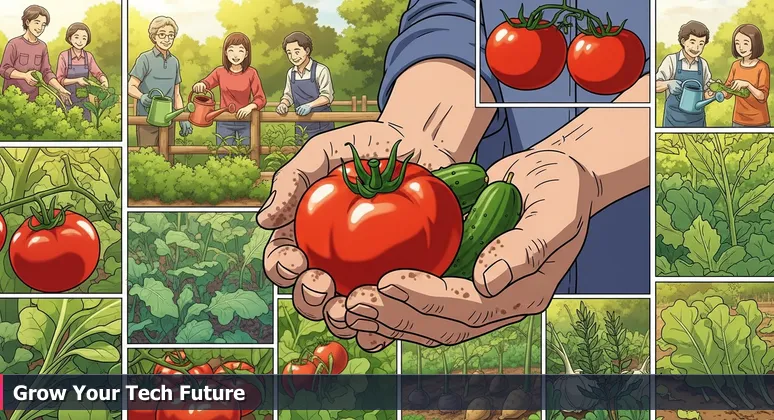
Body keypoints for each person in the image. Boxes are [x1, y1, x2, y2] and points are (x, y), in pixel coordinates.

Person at [258, 0, 649, 350]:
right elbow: (451, 14)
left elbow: (688, 74)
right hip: (508, 231)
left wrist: (586, 164)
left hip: (638, 251)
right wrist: (421, 131)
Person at [192, 32, 267, 149]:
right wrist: (201, 84)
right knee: (223, 154)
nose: (236, 55)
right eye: (231, 50)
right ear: (226, 52)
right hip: (224, 120)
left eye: (241, 50)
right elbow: (206, 83)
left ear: (246, 54)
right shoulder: (220, 72)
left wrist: (249, 107)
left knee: (247, 154)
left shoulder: (251, 73)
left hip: (246, 120)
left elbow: (261, 98)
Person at [128, 16, 192, 146]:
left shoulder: (174, 62)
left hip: (169, 118)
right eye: (162, 35)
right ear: (154, 36)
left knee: (168, 159)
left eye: (170, 35)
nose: (167, 39)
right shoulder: (144, 59)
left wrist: (182, 118)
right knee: (147, 158)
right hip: (147, 119)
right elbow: (130, 86)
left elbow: (177, 94)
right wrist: (142, 97)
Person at [0, 5, 71, 105]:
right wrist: (24, 76)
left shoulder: (42, 46)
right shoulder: (14, 44)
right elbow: (4, 69)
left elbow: (46, 73)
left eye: (43, 25)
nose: (40, 28)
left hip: (33, 100)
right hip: (12, 99)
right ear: (27, 22)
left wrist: (60, 89)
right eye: (37, 22)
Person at [275, 31, 334, 144]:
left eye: (297, 52)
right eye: (289, 53)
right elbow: (288, 95)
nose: (293, 57)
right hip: (301, 124)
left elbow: (327, 96)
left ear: (307, 51)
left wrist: (309, 105)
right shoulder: (291, 73)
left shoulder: (320, 70)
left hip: (322, 123)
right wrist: (283, 104)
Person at [656, 20, 714, 128]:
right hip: (673, 120)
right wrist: (668, 84)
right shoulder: (671, 60)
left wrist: (711, 93)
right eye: (692, 42)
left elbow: (706, 93)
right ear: (683, 41)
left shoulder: (703, 64)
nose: (696, 48)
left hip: (697, 121)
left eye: (701, 44)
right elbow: (654, 86)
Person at [717, 24, 770, 127]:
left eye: (746, 43)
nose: (741, 47)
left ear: (755, 43)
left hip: (759, 121)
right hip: (738, 120)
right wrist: (720, 89)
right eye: (737, 43)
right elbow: (728, 92)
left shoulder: (762, 67)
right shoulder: (735, 66)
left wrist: (748, 85)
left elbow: (762, 96)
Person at [55, 22, 108, 121]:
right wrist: (77, 80)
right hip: (66, 97)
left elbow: (98, 73)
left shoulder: (88, 56)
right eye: (76, 37)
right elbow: (59, 79)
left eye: (84, 38)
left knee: (85, 127)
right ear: (70, 38)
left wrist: (104, 81)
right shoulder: (64, 56)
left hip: (83, 99)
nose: (80, 41)